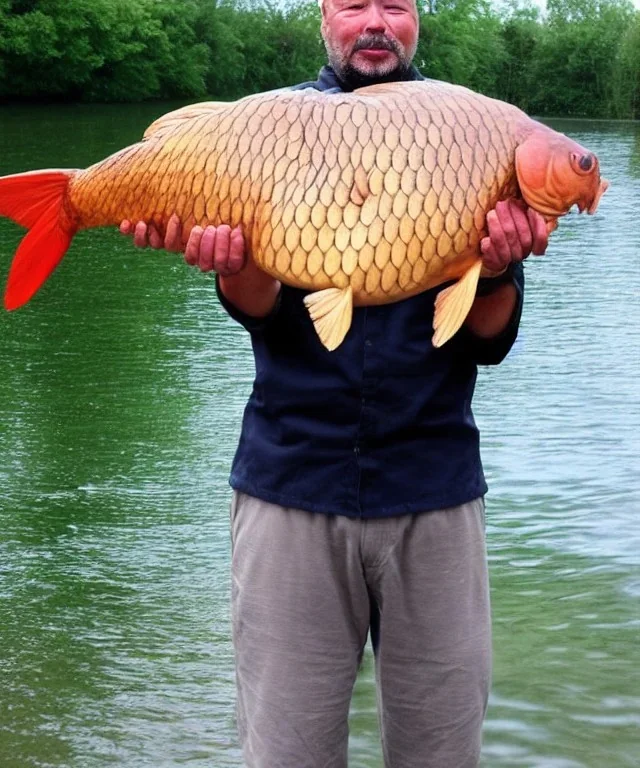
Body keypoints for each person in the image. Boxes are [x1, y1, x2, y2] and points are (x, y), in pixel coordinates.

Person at [121, 0, 548, 765]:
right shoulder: (267, 132)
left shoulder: (472, 132)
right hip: (291, 485)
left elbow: (489, 343)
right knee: (286, 753)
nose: (375, 22)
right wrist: (234, 263)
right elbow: (264, 314)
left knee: (442, 751)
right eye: (355, 4)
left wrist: (496, 267)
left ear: (418, 18)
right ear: (326, 15)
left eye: (395, 4)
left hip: (436, 487)